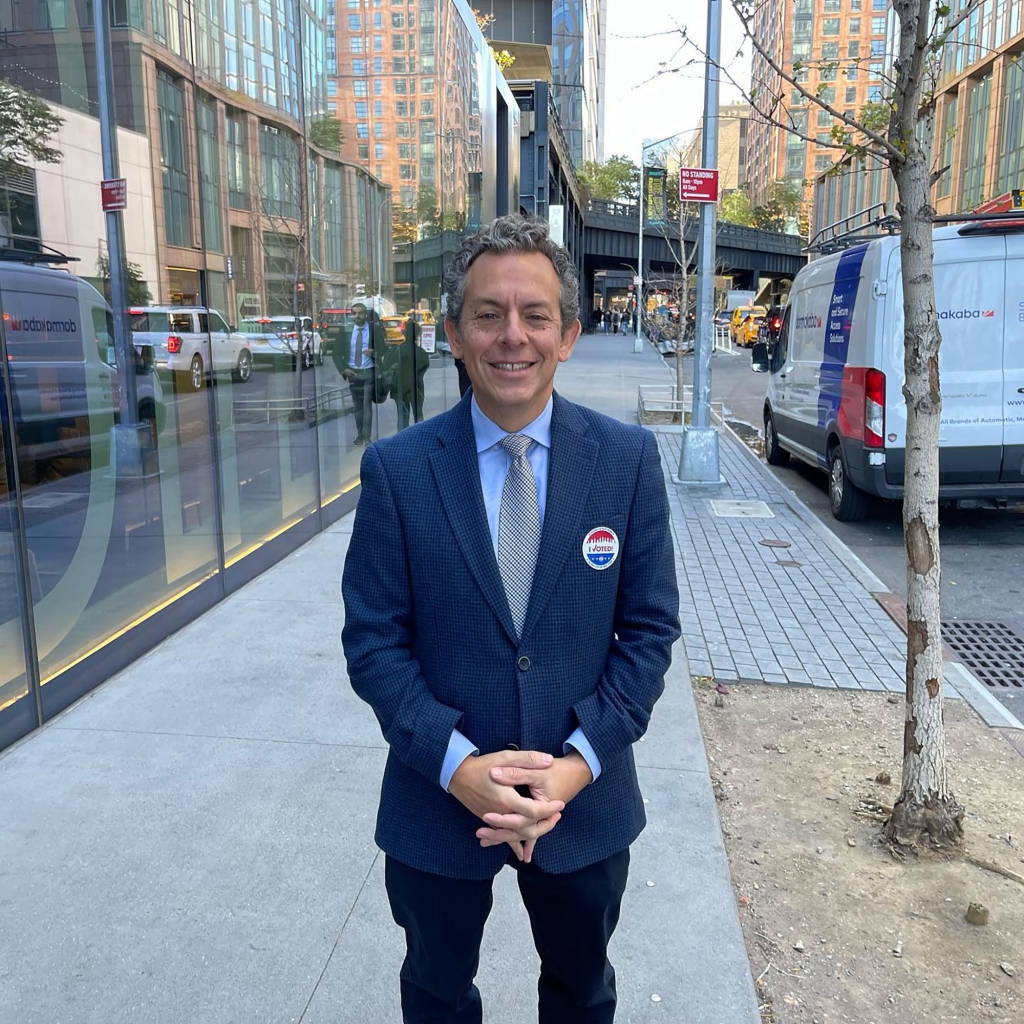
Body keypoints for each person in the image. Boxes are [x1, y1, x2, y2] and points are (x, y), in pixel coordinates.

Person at [342, 214, 680, 1024]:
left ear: (568, 334)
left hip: (583, 801)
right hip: (436, 797)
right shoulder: (397, 471)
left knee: (580, 989)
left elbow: (649, 634)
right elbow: (374, 644)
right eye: (488, 315)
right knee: (435, 990)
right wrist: (458, 765)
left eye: (535, 316)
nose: (511, 337)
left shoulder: (627, 463)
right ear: (454, 334)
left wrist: (573, 767)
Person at [331, 301, 385, 446]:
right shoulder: (346, 331)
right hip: (353, 374)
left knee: (366, 404)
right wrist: (344, 369)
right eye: (354, 313)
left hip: (368, 373)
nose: (357, 316)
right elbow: (336, 352)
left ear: (365, 314)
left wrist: (374, 352)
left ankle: (367, 436)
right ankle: (360, 434)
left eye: (360, 313)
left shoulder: (374, 329)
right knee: (357, 406)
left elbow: (384, 349)